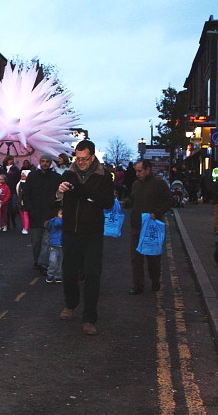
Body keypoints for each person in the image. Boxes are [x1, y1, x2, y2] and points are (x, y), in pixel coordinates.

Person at [57, 140, 114, 336]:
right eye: (77, 158)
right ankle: (70, 304)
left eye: (84, 159)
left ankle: (89, 318)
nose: (80, 162)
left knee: (92, 274)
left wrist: (84, 191)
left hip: (92, 233)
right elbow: (55, 198)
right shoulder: (68, 173)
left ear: (92, 157)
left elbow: (107, 202)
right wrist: (60, 192)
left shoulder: (104, 176)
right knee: (69, 272)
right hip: (70, 231)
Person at [121, 160, 173, 295]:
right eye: (136, 171)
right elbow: (132, 199)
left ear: (148, 170)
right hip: (137, 225)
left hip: (151, 227)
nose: (137, 174)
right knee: (136, 258)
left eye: (140, 171)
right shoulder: (136, 184)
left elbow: (169, 200)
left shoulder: (159, 184)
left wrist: (157, 213)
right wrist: (125, 203)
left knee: (153, 258)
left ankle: (155, 280)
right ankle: (138, 285)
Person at [22, 153, 61, 272]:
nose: (45, 163)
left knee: (46, 241)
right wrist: (29, 208)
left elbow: (59, 195)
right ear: (40, 162)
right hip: (35, 213)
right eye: (43, 161)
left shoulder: (56, 177)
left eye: (47, 161)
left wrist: (56, 211)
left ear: (50, 163)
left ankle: (43, 263)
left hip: (49, 213)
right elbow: (26, 193)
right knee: (36, 241)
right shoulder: (32, 176)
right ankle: (37, 261)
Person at [45, 207, 63, 283]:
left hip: (61, 244)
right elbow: (58, 223)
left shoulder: (55, 221)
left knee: (60, 261)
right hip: (54, 245)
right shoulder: (55, 221)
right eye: (61, 214)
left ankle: (58, 275)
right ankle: (51, 274)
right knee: (53, 260)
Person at [4, 155, 21, 229]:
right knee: (6, 207)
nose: (12, 160)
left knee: (13, 207)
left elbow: (18, 178)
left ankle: (13, 220)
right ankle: (7, 223)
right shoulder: (3, 168)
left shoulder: (15, 169)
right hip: (5, 190)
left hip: (13, 189)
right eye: (10, 159)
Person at [16, 169, 30, 235]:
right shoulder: (19, 183)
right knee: (22, 215)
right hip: (20, 201)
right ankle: (24, 227)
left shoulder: (29, 184)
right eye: (22, 176)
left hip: (27, 201)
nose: (22, 177)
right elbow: (18, 192)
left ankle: (26, 228)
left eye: (24, 176)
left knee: (25, 214)